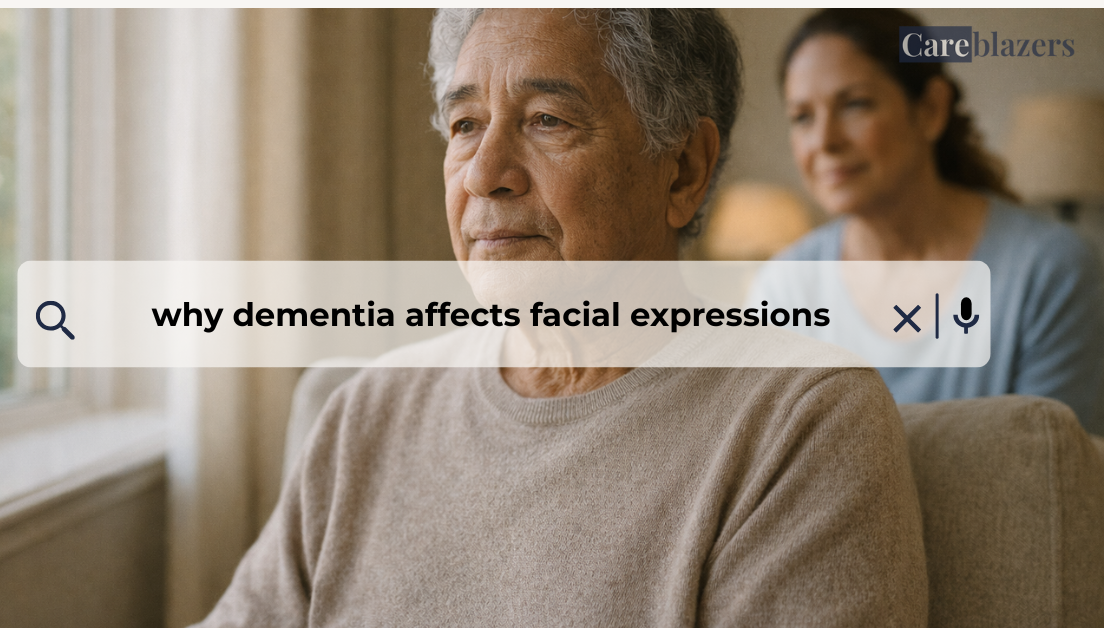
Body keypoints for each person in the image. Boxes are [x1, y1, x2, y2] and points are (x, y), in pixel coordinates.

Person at [194, 9, 927, 626]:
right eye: (464, 125)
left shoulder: (804, 422)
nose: (484, 173)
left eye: (547, 120)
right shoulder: (366, 411)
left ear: (683, 170)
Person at [767, 8, 1104, 435]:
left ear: (930, 109)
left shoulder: (1048, 270)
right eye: (802, 117)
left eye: (855, 104)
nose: (825, 141)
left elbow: (1046, 480)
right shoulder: (784, 289)